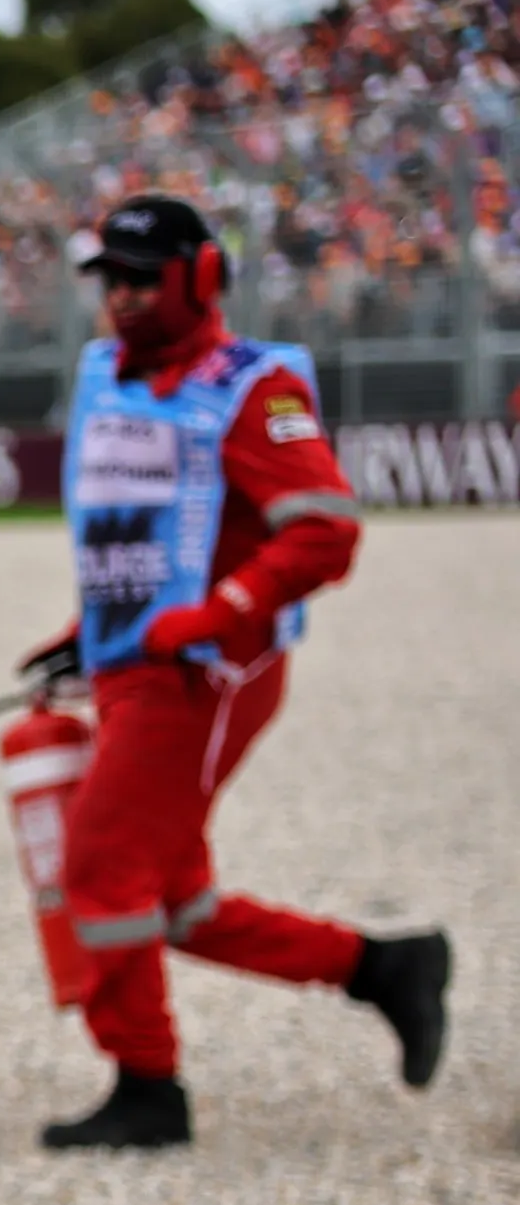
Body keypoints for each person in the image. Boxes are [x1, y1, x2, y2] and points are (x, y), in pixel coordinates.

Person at [24, 193, 448, 1150]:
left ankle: (148, 1089)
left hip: (204, 675)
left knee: (102, 868)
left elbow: (327, 533)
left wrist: (218, 617)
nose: (122, 298)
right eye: (109, 281)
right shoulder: (110, 377)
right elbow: (129, 533)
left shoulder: (255, 386)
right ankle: (383, 968)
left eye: (142, 278)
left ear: (198, 279)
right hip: (134, 661)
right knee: (176, 901)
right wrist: (85, 631)